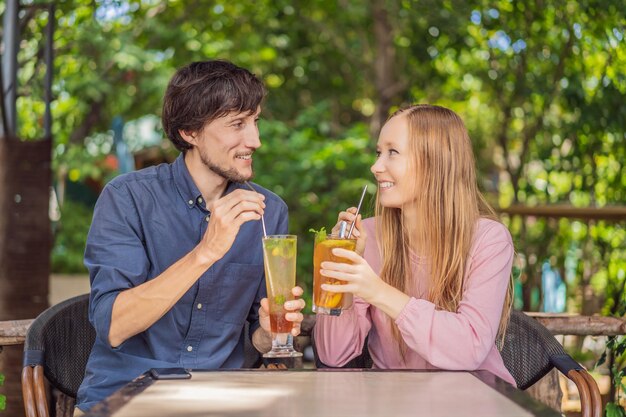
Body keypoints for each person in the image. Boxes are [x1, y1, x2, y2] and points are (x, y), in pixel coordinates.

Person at [76, 60, 305, 411]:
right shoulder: (127, 199)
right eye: (237, 124)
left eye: (255, 121)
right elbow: (114, 325)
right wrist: (206, 251)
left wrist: (267, 334)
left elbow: (254, 342)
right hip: (127, 399)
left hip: (224, 401)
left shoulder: (268, 211)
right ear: (190, 132)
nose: (255, 140)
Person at [314, 104, 515, 385]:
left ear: (435, 162)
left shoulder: (488, 240)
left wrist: (378, 291)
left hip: (472, 399)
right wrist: (341, 276)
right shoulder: (366, 238)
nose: (375, 166)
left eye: (392, 152)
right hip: (395, 401)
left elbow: (469, 348)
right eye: (378, 152)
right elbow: (334, 354)